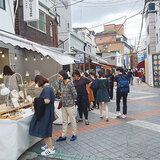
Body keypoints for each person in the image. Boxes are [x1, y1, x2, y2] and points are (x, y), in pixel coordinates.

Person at [29, 75, 55, 156]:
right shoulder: (48, 87)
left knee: (45, 130)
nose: (37, 85)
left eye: (36, 83)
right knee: (47, 129)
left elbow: (47, 101)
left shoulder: (46, 89)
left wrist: (34, 100)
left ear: (39, 81)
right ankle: (49, 146)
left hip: (46, 113)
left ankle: (51, 149)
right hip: (48, 112)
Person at [56, 70, 77, 142]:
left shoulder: (70, 83)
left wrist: (73, 100)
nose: (59, 78)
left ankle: (74, 134)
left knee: (72, 120)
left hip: (70, 105)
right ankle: (63, 135)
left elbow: (75, 94)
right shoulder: (61, 83)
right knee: (64, 121)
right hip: (63, 105)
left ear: (63, 76)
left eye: (59, 76)